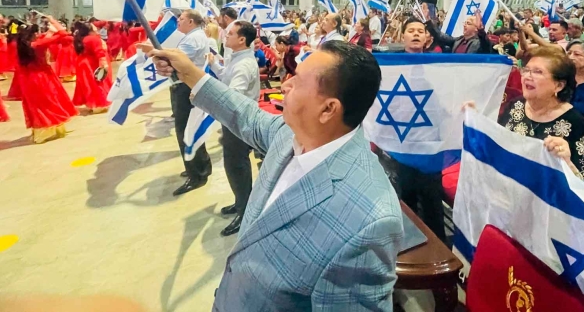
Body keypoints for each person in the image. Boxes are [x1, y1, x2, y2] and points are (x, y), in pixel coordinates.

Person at [150, 41, 402, 311]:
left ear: (328, 109)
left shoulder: (369, 221)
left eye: (298, 81)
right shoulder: (290, 135)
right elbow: (246, 116)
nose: (285, 85)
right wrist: (189, 73)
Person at [498, 46, 584, 191]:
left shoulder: (575, 123)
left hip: (546, 200)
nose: (527, 76)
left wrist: (568, 163)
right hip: (509, 189)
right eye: (526, 70)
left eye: (538, 72)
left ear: (559, 85)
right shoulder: (516, 105)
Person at [389, 17, 447, 241]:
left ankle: (441, 253)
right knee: (407, 197)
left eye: (420, 31)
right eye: (410, 30)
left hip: (430, 139)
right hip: (402, 139)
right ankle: (411, 245)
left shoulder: (438, 64)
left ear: (427, 37)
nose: (415, 34)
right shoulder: (392, 64)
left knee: (432, 198)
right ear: (401, 36)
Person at [207, 21, 261, 237]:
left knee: (237, 166)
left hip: (239, 121)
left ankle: (245, 210)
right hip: (232, 120)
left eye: (229, 33)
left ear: (242, 40)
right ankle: (241, 202)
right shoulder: (236, 58)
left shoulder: (244, 64)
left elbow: (233, 95)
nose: (225, 36)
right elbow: (226, 77)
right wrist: (214, 65)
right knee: (233, 165)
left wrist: (208, 96)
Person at [171, 10, 213, 195]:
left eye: (180, 19)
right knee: (192, 128)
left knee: (186, 131)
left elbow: (177, 63)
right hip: (189, 85)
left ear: (190, 21)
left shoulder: (192, 39)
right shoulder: (195, 36)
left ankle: (196, 175)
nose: (177, 22)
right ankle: (201, 166)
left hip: (186, 86)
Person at [16, 20, 77, 143]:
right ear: (34, 34)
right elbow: (63, 33)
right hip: (41, 77)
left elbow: (49, 36)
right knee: (48, 103)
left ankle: (45, 130)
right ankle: (46, 130)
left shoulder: (25, 45)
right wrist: (51, 19)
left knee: (37, 104)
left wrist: (49, 31)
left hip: (28, 78)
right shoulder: (38, 44)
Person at [71, 21, 113, 113]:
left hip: (82, 63)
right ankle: (98, 104)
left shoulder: (81, 39)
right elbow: (99, 52)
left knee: (87, 84)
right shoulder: (93, 39)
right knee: (96, 84)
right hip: (91, 64)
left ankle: (91, 104)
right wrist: (103, 63)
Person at [425, 10, 491, 53]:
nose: (464, 25)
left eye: (468, 23)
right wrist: (429, 22)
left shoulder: (478, 43)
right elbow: (440, 36)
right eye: (464, 23)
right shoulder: (459, 40)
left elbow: (486, 45)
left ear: (476, 28)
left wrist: (481, 31)